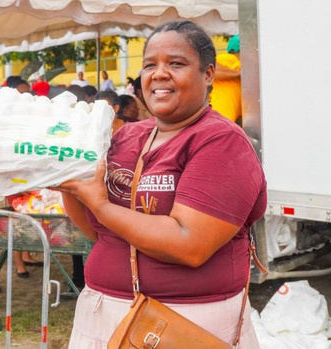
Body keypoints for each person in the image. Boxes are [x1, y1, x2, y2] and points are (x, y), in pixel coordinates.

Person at [60, 21, 266, 348]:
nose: (159, 74)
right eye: (149, 65)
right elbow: (100, 232)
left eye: (176, 63)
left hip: (183, 325)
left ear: (208, 74)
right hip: (102, 316)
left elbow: (189, 244)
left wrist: (101, 204)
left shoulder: (221, 142)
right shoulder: (128, 135)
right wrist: (67, 183)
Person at [210, 34, 243, 125]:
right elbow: (211, 70)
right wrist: (239, 73)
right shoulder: (228, 59)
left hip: (224, 119)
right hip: (220, 118)